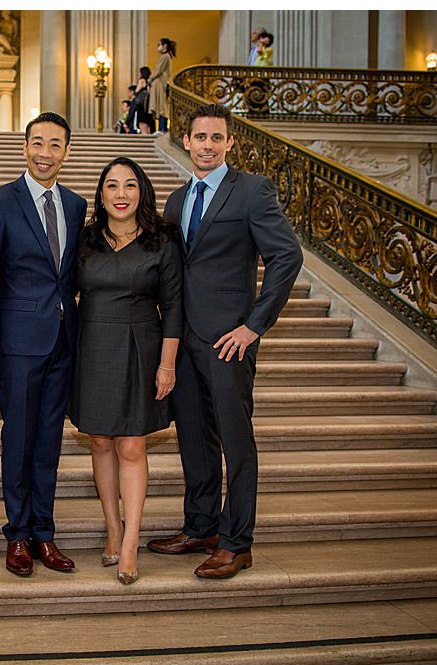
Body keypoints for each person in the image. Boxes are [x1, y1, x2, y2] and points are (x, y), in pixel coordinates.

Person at [149, 103, 302, 579]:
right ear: (187, 141)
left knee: (236, 442)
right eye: (201, 137)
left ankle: (237, 541)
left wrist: (254, 325)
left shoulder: (252, 191)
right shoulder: (175, 201)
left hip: (228, 341)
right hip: (185, 338)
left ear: (230, 143)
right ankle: (201, 526)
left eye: (217, 138)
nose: (208, 146)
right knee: (193, 437)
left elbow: (286, 257)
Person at [0, 112, 88, 577]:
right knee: (18, 438)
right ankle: (16, 534)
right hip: (16, 341)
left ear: (66, 152)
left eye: (55, 145)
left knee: (50, 441)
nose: (45, 153)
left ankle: (44, 533)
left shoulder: (76, 205)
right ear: (25, 147)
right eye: (38, 143)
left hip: (62, 340)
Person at [70, 157, 181, 585]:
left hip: (142, 347)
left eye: (130, 185)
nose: (121, 194)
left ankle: (132, 539)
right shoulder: (85, 241)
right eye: (112, 186)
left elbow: (173, 308)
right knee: (99, 441)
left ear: (142, 192)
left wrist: (167, 365)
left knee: (131, 446)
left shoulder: (162, 242)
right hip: (93, 346)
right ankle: (112, 527)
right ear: (101, 194)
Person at [148, 38, 175, 135]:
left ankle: (161, 128)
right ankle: (160, 128)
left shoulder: (165, 57)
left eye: (159, 44)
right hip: (160, 83)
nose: (157, 47)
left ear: (165, 46)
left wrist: (149, 80)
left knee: (161, 106)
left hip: (160, 83)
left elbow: (158, 70)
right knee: (160, 106)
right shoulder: (166, 57)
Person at [135, 67, 153, 134]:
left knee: (142, 125)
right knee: (148, 126)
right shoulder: (149, 82)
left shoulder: (142, 80)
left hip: (141, 105)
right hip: (148, 105)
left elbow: (137, 90)